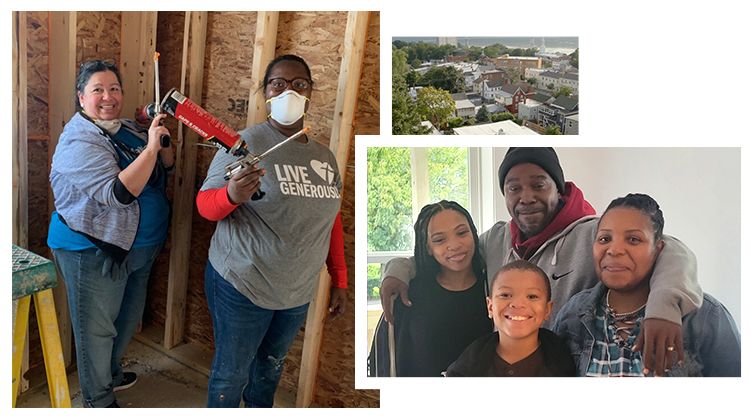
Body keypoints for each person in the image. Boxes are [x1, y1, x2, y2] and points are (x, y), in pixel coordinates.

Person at [380, 147, 702, 376]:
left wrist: (664, 307)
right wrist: (397, 270)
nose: (526, 197)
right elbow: (451, 253)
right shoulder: (495, 240)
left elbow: (669, 249)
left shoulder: (593, 232)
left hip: (565, 368)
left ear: (558, 189)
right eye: (513, 188)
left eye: (538, 184)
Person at [196, 54, 347, 408]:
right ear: (266, 93)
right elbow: (206, 206)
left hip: (295, 292)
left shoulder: (324, 158)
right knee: (230, 375)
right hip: (243, 284)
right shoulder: (242, 144)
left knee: (269, 372)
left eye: (299, 84)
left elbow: (330, 219)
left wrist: (339, 278)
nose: (288, 91)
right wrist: (232, 194)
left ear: (310, 93)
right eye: (278, 84)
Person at [48, 59, 174, 408]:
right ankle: (98, 399)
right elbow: (118, 195)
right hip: (92, 249)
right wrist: (150, 147)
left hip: (140, 247)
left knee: (126, 319)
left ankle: (112, 376)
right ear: (81, 97)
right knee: (97, 330)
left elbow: (166, 166)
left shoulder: (127, 128)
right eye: (97, 90)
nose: (108, 96)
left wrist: (159, 140)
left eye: (114, 88)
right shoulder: (78, 140)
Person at [552, 193, 740, 376]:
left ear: (658, 249)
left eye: (634, 240)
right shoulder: (574, 314)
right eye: (604, 239)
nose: (614, 250)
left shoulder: (705, 317)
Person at [368, 201, 492, 377]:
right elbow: (384, 365)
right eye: (440, 240)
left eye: (462, 232)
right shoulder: (406, 295)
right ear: (428, 248)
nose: (454, 245)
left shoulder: (493, 289)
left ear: (474, 234)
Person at [446, 260, 574, 377]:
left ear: (547, 310)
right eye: (505, 295)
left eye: (532, 296)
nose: (518, 304)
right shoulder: (466, 369)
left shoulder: (566, 365)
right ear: (490, 307)